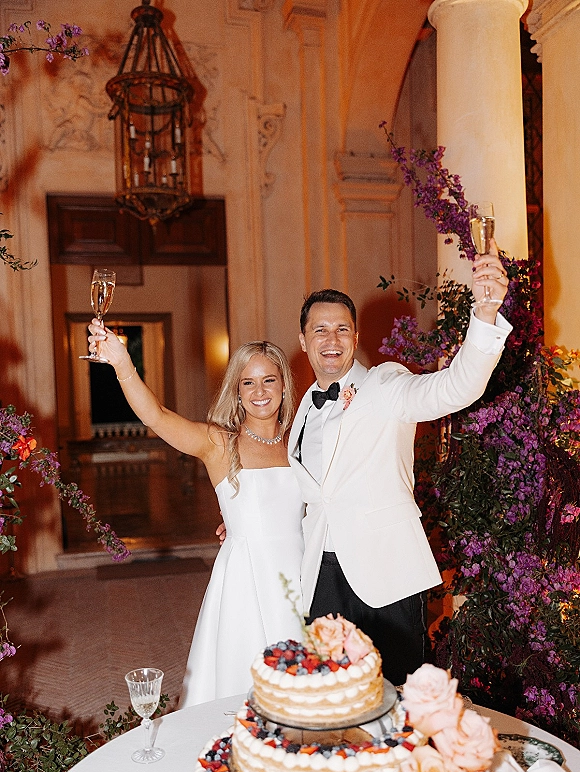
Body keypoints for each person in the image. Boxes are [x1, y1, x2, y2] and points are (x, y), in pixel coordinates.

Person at [287, 240, 512, 686]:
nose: (331, 340)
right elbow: (309, 493)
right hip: (321, 574)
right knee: (334, 696)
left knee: (401, 699)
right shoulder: (304, 409)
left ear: (355, 336)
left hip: (384, 573)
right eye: (320, 330)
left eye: (342, 330)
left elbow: (455, 387)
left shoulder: (385, 385)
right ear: (303, 340)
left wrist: (484, 315)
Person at [87, 323, 305, 705]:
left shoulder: (301, 442)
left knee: (303, 687)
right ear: (236, 392)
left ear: (284, 385)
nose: (260, 392)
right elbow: (155, 416)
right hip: (246, 580)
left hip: (303, 575)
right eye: (248, 383)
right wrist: (122, 363)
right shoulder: (220, 443)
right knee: (245, 689)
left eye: (268, 380)